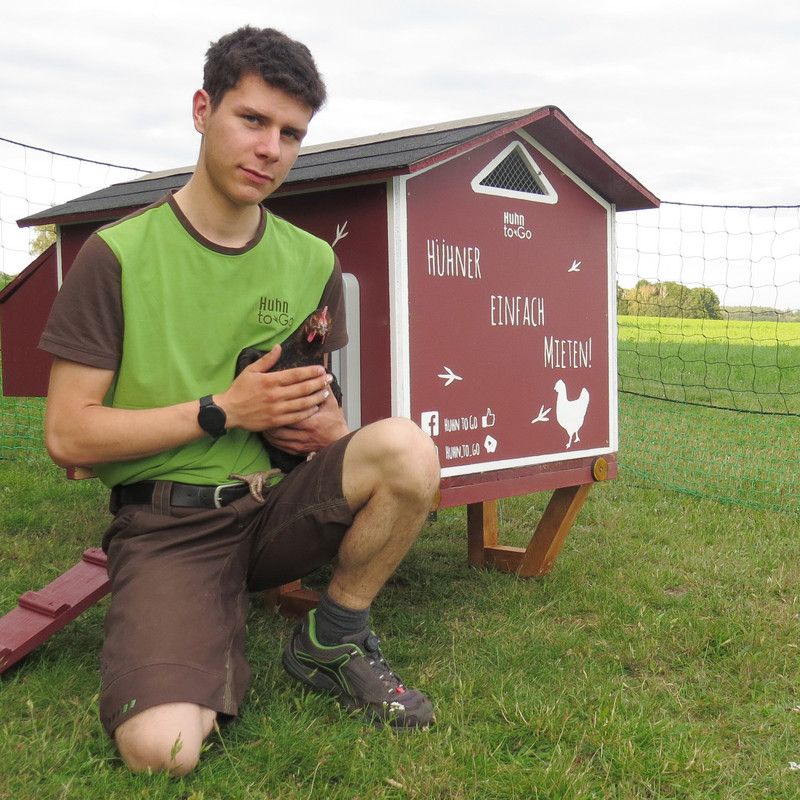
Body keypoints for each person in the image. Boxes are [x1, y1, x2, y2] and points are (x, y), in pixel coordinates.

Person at [38, 26, 440, 776]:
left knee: (407, 447)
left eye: (291, 134)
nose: (270, 149)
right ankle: (194, 630)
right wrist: (224, 410)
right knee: (166, 751)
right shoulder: (116, 257)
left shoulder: (311, 259)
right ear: (202, 109)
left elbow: (317, 415)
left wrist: (324, 428)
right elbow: (67, 435)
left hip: (270, 510)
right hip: (166, 527)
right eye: (251, 120)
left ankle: (334, 636)